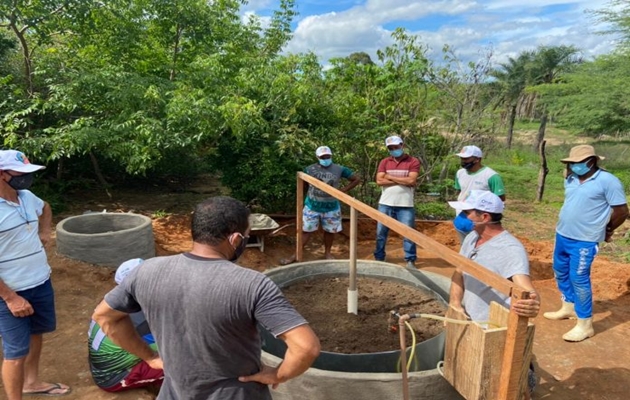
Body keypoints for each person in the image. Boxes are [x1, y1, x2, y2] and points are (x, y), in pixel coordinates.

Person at [92, 196, 321, 399]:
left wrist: (150, 357)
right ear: (235, 239)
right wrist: (277, 375)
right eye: (247, 237)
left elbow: (105, 316)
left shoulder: (146, 272)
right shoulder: (252, 284)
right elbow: (305, 347)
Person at [447, 190, 540, 399]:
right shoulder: (472, 237)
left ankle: (527, 378)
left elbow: (525, 287)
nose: (462, 217)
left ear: (484, 217)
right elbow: (459, 271)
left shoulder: (510, 249)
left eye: (467, 212)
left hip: (494, 328)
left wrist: (533, 302)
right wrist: (455, 303)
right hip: (471, 320)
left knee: (504, 380)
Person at [0, 149, 71, 398]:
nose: (27, 178)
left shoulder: (27, 196)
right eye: (22, 174)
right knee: (15, 353)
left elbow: (46, 207)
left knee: (36, 334)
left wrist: (45, 231)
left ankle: (32, 382)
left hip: (39, 282)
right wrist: (10, 298)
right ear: (2, 175)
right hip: (10, 292)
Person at [544, 145, 629, 342]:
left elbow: (622, 211)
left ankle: (585, 324)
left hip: (585, 239)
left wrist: (608, 229)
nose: (574, 166)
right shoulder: (571, 178)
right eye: (571, 163)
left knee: (579, 278)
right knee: (560, 271)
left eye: (577, 163)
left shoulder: (608, 181)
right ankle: (569, 306)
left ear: (591, 161)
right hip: (563, 233)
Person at [88, 258, 164, 392]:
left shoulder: (110, 305)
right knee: (191, 366)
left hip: (105, 366)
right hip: (114, 377)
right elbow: (169, 348)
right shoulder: (140, 319)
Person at [280, 146, 360, 265]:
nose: (326, 158)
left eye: (328, 156)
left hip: (331, 207)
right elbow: (305, 183)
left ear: (331, 156)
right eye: (323, 157)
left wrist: (343, 190)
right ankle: (296, 254)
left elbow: (356, 179)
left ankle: (327, 253)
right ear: (317, 157)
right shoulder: (310, 169)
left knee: (330, 231)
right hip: (312, 206)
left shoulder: (339, 169)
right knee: (306, 231)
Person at [374, 135, 421, 269]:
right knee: (381, 233)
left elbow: (411, 180)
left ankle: (410, 259)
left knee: (408, 233)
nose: (394, 149)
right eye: (390, 148)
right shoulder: (385, 161)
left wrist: (389, 176)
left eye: (396, 147)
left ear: (402, 145)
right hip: (385, 202)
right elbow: (379, 181)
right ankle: (379, 257)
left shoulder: (413, 161)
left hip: (405, 204)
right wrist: (402, 179)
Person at [452, 145, 505, 244]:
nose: (463, 161)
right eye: (462, 158)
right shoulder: (460, 173)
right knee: (465, 242)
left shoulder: (491, 176)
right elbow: (460, 190)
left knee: (481, 242)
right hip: (463, 213)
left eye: (466, 158)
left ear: (477, 159)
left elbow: (500, 198)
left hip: (480, 217)